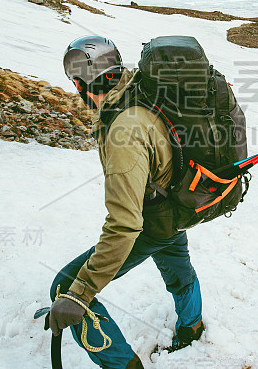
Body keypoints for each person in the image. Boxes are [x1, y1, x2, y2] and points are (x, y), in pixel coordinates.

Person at [48, 36, 205, 369]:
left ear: (82, 83)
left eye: (76, 84)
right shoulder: (140, 88)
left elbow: (125, 225)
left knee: (65, 285)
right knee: (177, 262)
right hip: (175, 206)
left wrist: (78, 294)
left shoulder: (124, 131)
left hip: (153, 219)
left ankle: (124, 366)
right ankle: (192, 326)